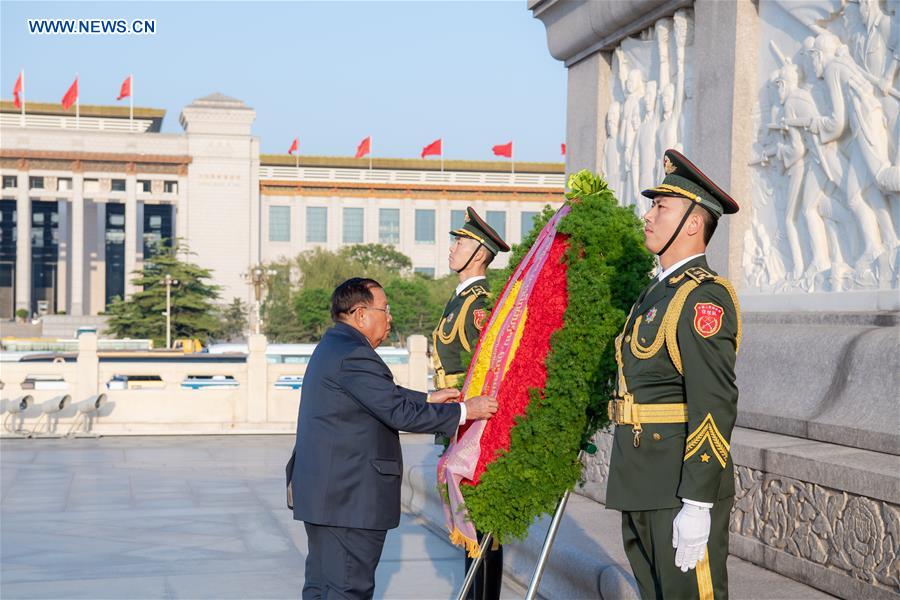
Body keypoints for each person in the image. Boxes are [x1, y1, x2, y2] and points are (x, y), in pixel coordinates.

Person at [287, 277, 498, 600]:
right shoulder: (354, 354)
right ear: (361, 314)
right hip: (348, 499)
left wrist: (427, 399)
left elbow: (381, 395)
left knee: (323, 587)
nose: (389, 317)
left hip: (327, 496)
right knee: (346, 589)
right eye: (385, 309)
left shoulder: (336, 346)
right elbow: (398, 413)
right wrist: (464, 411)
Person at [606, 149, 741, 600]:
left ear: (692, 223)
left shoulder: (704, 298)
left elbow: (714, 402)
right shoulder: (656, 294)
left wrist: (699, 501)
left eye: (661, 206)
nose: (647, 216)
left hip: (677, 486)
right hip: (642, 481)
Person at [432, 207, 509, 600]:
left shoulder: (479, 305)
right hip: (457, 422)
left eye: (460, 242)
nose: (452, 248)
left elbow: (490, 370)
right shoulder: (459, 300)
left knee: (481, 527)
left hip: (473, 428)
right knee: (469, 525)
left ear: (480, 253)